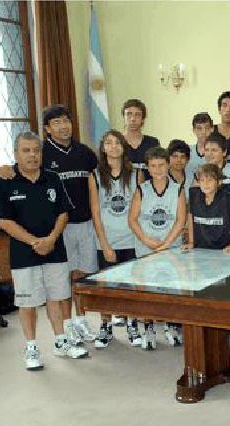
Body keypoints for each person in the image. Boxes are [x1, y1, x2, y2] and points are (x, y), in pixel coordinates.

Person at [0, 105, 101, 346]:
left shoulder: (84, 152)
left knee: (75, 281)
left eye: (67, 120)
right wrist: (5, 169)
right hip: (51, 234)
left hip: (77, 226)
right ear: (47, 128)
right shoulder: (34, 158)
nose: (63, 126)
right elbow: (22, 167)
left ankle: (76, 324)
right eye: (57, 122)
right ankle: (58, 332)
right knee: (47, 290)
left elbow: (95, 183)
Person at [128, 146, 188, 349]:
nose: (157, 169)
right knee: (147, 292)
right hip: (147, 248)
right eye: (153, 166)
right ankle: (148, 328)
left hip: (170, 248)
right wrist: (146, 239)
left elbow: (180, 221)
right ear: (147, 168)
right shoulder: (141, 189)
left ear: (168, 164)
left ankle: (171, 326)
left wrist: (167, 244)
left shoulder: (177, 189)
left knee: (170, 290)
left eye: (161, 165)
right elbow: (133, 219)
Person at [88, 130, 143, 349]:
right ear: (103, 148)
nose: (113, 146)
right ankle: (106, 326)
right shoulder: (94, 175)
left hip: (131, 240)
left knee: (130, 286)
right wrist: (104, 244)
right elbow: (95, 212)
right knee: (106, 287)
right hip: (108, 241)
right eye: (109, 143)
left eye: (118, 142)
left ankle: (132, 324)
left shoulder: (136, 173)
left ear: (123, 147)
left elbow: (139, 210)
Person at [183, 164, 230, 253]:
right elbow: (191, 220)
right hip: (199, 248)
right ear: (198, 182)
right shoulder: (194, 195)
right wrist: (191, 242)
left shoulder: (227, 199)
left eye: (210, 180)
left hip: (221, 249)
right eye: (202, 180)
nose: (206, 183)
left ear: (219, 182)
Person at [121, 98, 161, 180]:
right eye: (129, 114)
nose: (133, 119)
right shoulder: (116, 143)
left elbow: (159, 170)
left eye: (137, 114)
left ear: (143, 118)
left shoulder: (152, 143)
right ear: (123, 117)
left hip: (149, 190)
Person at [187, 112, 215, 181]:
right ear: (194, 130)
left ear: (212, 129)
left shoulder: (217, 153)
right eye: (199, 128)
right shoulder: (187, 151)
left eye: (207, 128)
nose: (203, 132)